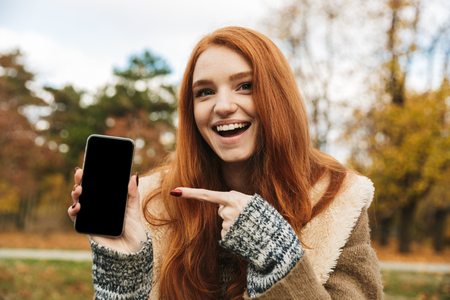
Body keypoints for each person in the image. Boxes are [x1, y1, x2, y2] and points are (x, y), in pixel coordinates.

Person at [69, 26, 383, 299]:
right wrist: (123, 276)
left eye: (245, 85)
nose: (222, 106)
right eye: (204, 92)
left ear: (279, 95)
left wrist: (276, 257)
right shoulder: (152, 203)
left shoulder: (337, 200)